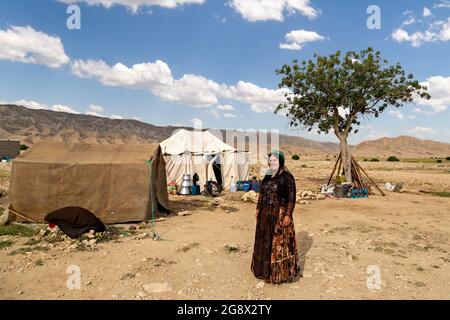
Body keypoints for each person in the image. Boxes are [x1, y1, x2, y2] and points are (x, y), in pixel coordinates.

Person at [251, 150, 299, 284]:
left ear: (281, 162)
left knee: (276, 243)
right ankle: (263, 272)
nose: (272, 162)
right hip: (265, 214)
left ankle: (277, 274)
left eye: (275, 160)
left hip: (279, 213)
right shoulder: (268, 175)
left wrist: (288, 215)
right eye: (270, 160)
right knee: (264, 241)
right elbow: (262, 193)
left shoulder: (287, 177)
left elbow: (291, 197)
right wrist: (258, 208)